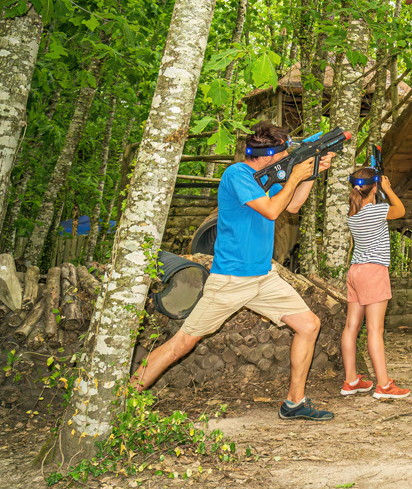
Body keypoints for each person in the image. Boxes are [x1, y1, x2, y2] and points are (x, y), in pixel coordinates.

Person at [132, 122, 336, 421]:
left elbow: (292, 206)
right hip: (231, 279)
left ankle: (294, 402)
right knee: (182, 344)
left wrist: (313, 172)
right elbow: (271, 210)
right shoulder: (237, 174)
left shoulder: (268, 177)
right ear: (269, 156)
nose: (286, 158)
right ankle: (122, 401)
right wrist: (295, 175)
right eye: (284, 154)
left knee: (309, 325)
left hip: (262, 277)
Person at [339, 167, 410, 399]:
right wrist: (388, 190)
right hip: (373, 272)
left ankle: (351, 381)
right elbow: (400, 210)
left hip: (355, 272)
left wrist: (378, 189)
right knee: (375, 330)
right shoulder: (377, 211)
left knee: (351, 327)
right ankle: (384, 385)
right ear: (375, 188)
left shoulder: (352, 214)